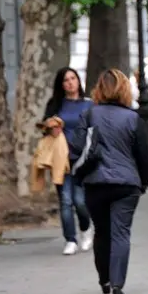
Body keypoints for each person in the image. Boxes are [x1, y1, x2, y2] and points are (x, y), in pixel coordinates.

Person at [69, 69, 148, 294]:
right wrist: (143, 181)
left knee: (102, 232)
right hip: (126, 184)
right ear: (125, 89)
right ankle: (117, 284)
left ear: (99, 89)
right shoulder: (134, 118)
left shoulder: (89, 115)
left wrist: (78, 177)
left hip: (95, 183)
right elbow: (143, 155)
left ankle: (104, 278)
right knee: (121, 233)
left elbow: (76, 149)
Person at [43, 67, 93, 256]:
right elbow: (44, 126)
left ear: (79, 81)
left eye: (73, 78)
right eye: (66, 80)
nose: (70, 82)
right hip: (61, 159)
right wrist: (50, 128)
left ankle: (86, 230)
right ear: (61, 85)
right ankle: (70, 239)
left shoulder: (89, 105)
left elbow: (95, 130)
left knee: (80, 201)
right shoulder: (56, 104)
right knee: (65, 201)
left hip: (81, 160)